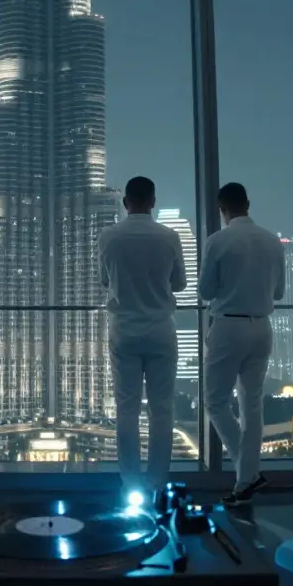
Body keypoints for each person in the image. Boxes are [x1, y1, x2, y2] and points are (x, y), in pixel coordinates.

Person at [98, 176, 186, 498]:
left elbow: (104, 280)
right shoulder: (169, 236)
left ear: (125, 202)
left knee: (127, 409)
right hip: (161, 329)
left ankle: (130, 482)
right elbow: (180, 283)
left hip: (124, 330)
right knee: (162, 409)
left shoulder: (109, 236)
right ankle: (157, 481)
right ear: (153, 201)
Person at [198, 182, 284, 506]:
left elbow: (206, 291)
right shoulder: (272, 241)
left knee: (216, 401)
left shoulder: (218, 241)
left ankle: (245, 472)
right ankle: (247, 476)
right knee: (253, 404)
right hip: (262, 326)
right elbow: (278, 293)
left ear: (223, 210)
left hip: (228, 326)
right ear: (248, 203)